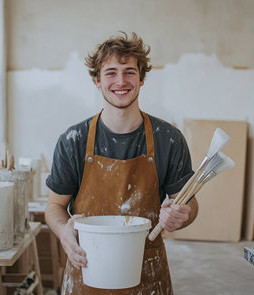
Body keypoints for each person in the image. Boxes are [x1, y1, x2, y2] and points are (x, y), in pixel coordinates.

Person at [45, 32, 199, 294]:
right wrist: (63, 232)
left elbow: (189, 204)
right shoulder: (73, 140)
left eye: (129, 72)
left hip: (147, 272)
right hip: (87, 269)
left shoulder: (169, 139)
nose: (121, 81)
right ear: (96, 79)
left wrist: (183, 216)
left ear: (142, 78)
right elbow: (55, 206)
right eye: (111, 72)